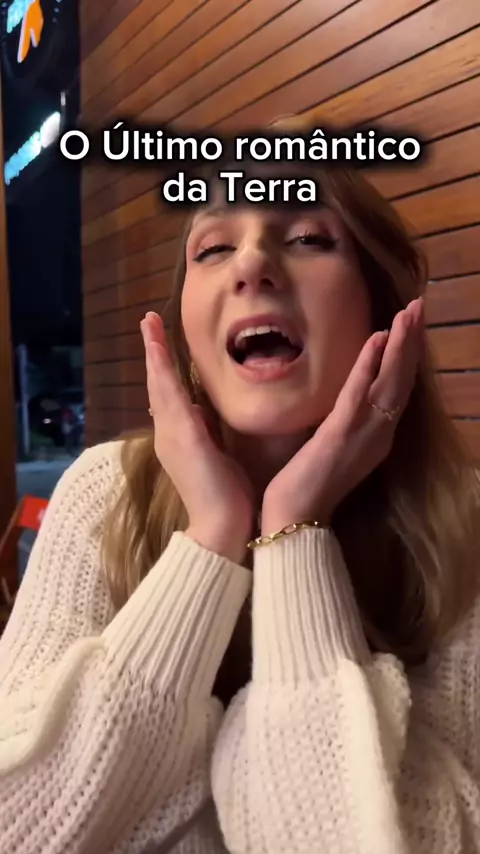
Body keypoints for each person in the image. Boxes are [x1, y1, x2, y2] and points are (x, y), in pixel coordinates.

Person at [0, 155, 479, 854]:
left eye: (308, 238)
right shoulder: (104, 495)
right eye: (214, 248)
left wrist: (294, 532)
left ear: (383, 308)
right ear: (188, 334)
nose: (251, 265)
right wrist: (212, 537)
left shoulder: (465, 524)